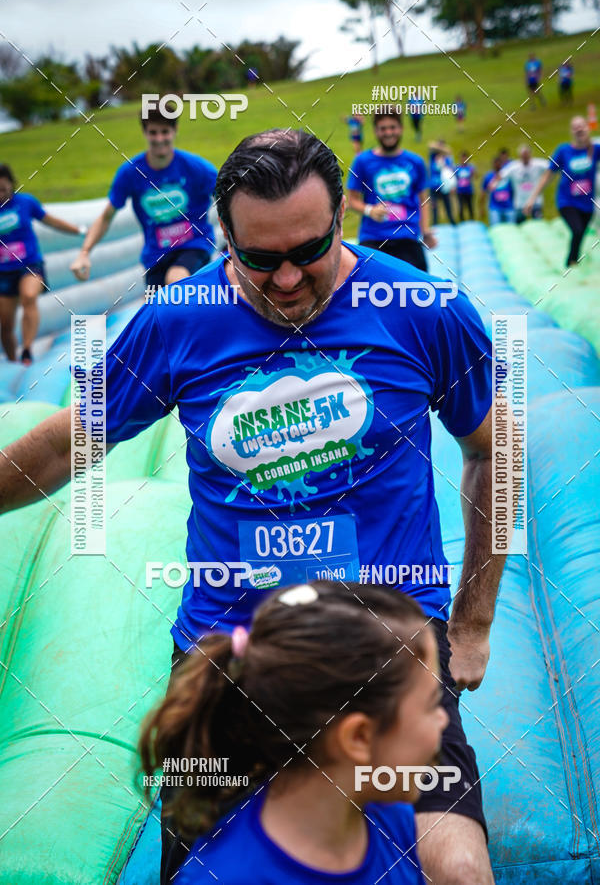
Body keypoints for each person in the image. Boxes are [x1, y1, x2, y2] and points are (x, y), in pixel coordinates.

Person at [1, 128, 503, 885]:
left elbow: (494, 447)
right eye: (261, 259)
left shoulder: (423, 310)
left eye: (312, 249)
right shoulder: (181, 317)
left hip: (387, 640)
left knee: (457, 872)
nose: (291, 278)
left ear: (344, 217)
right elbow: (67, 441)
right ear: (222, 237)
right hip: (232, 645)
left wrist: (473, 619)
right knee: (201, 868)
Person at [141, 581, 448, 883]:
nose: (444, 721)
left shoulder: (395, 823)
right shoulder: (224, 875)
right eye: (432, 705)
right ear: (358, 738)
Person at [70, 104, 217, 292]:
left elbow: (228, 199)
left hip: (194, 245)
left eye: (165, 132)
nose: (159, 139)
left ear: (175, 131)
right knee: (154, 312)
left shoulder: (196, 168)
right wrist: (84, 253)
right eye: (153, 132)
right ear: (145, 133)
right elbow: (106, 217)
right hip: (156, 255)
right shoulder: (130, 173)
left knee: (175, 281)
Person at [0, 163, 84, 365]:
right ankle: (12, 361)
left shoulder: (26, 203)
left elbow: (51, 221)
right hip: (3, 271)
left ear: (12, 185)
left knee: (29, 296)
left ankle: (27, 349)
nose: (0, 194)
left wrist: (79, 231)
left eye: (3, 189)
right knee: (5, 323)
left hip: (30, 264)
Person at [346, 108, 436, 270]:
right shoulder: (362, 161)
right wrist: (369, 210)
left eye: (392, 127)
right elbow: (351, 200)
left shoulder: (415, 162)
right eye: (383, 129)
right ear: (375, 131)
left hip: (407, 237)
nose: (388, 133)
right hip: (373, 238)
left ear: (401, 128)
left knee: (419, 290)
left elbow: (424, 200)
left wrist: (426, 232)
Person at [525, 116, 600, 267]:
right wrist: (532, 198)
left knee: (580, 234)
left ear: (587, 128)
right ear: (571, 131)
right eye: (575, 127)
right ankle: (570, 263)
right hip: (567, 201)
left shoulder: (595, 150)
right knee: (577, 230)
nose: (579, 129)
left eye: (582, 126)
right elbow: (548, 175)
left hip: (587, 203)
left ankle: (574, 260)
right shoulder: (564, 151)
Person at [496, 144, 547, 223]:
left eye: (526, 155)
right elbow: (501, 174)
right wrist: (494, 183)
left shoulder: (538, 164)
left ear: (530, 154)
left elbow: (552, 167)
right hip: (520, 203)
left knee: (538, 224)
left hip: (535, 202)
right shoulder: (514, 166)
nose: (525, 157)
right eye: (523, 155)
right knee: (519, 226)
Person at [428, 140, 456, 226]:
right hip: (434, 186)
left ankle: (452, 223)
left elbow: (451, 171)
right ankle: (435, 224)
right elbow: (430, 145)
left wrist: (452, 185)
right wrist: (440, 149)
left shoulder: (447, 159)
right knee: (434, 207)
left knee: (448, 206)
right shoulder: (432, 157)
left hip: (445, 186)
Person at [481, 156, 515, 225]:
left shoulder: (508, 176)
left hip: (508, 207)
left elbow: (514, 190)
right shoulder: (488, 177)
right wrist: (481, 208)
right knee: (495, 229)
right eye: (495, 163)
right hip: (494, 208)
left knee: (511, 230)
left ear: (502, 164)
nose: (497, 165)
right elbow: (483, 192)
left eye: (499, 163)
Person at [456, 152, 476, 221]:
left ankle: (472, 220)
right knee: (461, 207)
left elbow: (475, 176)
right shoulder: (457, 168)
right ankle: (462, 221)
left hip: (469, 190)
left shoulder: (470, 167)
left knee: (470, 206)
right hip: (460, 191)